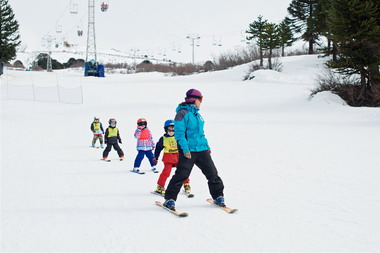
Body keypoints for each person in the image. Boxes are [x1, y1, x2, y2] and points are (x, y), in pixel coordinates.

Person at [163, 89, 225, 211]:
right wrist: (185, 149)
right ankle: (169, 199)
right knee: (182, 174)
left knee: (212, 173)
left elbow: (201, 133)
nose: (201, 102)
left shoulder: (197, 115)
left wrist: (207, 146)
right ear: (194, 100)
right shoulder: (182, 113)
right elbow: (179, 134)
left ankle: (218, 196)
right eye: (200, 99)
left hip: (202, 149)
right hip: (188, 149)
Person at [153, 120, 191, 195]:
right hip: (168, 158)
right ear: (166, 130)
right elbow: (158, 148)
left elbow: (184, 145)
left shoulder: (178, 137)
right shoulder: (163, 139)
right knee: (166, 172)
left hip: (178, 157)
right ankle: (160, 186)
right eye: (169, 130)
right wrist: (156, 157)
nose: (171, 132)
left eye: (173, 130)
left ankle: (186, 184)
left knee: (182, 171)